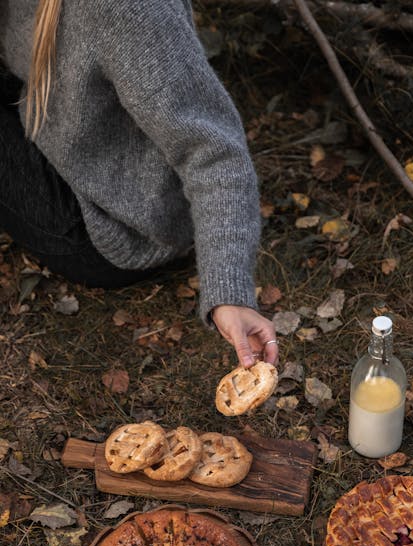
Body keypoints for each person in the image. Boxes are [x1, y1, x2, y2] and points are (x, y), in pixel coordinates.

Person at [0, 0, 278, 369]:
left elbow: (212, 149)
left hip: (106, 221)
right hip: (58, 139)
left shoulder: (127, 8)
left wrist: (230, 292)